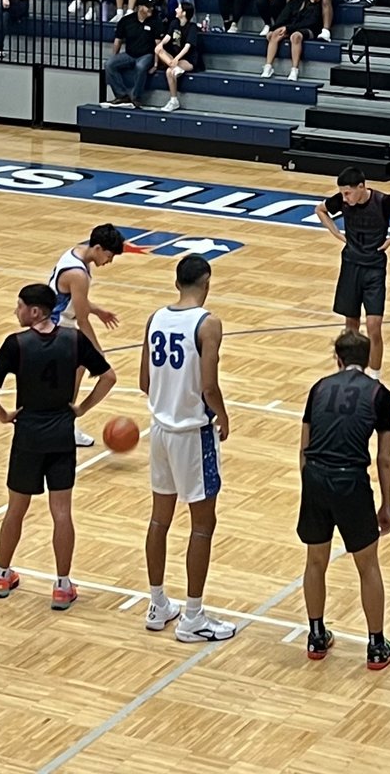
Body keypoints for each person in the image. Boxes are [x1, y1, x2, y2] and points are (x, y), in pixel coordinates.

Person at [0, 283, 117, 610]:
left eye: (20, 307)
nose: (16, 312)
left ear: (36, 312)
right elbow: (109, 377)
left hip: (27, 434)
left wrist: (3, 417)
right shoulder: (73, 339)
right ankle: (62, 585)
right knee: (61, 512)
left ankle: (1, 574)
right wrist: (82, 408)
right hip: (60, 433)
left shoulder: (16, 344)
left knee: (16, 508)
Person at [140, 254, 237, 643]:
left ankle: (157, 603)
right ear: (207, 281)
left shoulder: (155, 318)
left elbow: (145, 380)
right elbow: (208, 384)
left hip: (159, 430)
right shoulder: (208, 323)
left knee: (159, 519)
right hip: (192, 434)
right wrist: (223, 416)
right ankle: (193, 616)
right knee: (202, 525)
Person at [298, 329, 390, 669]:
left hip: (315, 476)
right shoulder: (380, 394)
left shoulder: (319, 388)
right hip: (351, 481)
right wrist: (385, 504)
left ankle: (315, 635)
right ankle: (376, 645)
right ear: (368, 360)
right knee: (367, 565)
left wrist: (310, 488)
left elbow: (303, 449)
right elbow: (384, 457)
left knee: (315, 560)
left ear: (337, 360)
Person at [315, 168, 390, 378]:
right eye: (342, 194)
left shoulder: (383, 201)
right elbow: (320, 210)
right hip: (350, 265)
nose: (344, 198)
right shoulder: (343, 201)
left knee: (374, 326)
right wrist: (336, 233)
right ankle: (347, 373)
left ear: (362, 187)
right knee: (351, 326)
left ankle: (374, 377)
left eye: (348, 193)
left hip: (374, 268)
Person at [47, 223, 124, 447]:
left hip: (61, 322)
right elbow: (81, 319)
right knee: (107, 376)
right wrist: (97, 352)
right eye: (109, 255)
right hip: (58, 327)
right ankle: (70, 419)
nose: (109, 261)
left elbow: (71, 298)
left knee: (77, 372)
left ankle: (66, 424)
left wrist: (98, 310)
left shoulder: (77, 253)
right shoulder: (78, 273)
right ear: (98, 248)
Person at [103, 0, 162, 108]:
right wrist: (114, 56)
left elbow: (158, 45)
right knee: (109, 64)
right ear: (140, 7)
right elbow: (118, 40)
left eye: (152, 7)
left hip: (146, 54)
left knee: (140, 67)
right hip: (129, 54)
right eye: (148, 7)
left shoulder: (155, 21)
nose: (151, 9)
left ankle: (136, 97)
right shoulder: (126, 20)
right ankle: (122, 95)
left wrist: (155, 63)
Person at [261, 0, 322, 81]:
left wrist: (288, 28)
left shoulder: (318, 7)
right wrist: (275, 28)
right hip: (291, 26)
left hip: (309, 29)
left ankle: (294, 70)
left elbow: (310, 22)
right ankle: (268, 66)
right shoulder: (296, 1)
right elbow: (284, 15)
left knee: (296, 36)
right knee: (275, 34)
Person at [155, 0, 200, 112]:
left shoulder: (192, 27)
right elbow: (168, 37)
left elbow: (187, 47)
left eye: (178, 8)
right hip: (174, 59)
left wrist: (176, 58)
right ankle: (174, 67)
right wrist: (161, 44)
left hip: (188, 59)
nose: (176, 9)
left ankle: (174, 100)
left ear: (184, 13)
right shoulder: (174, 23)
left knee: (169, 72)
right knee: (158, 49)